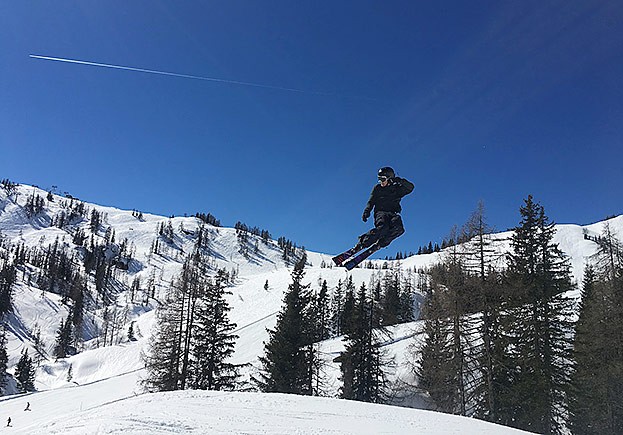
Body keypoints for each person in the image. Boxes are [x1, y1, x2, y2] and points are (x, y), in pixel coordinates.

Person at [356, 166, 414, 250]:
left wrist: (400, 180)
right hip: (381, 212)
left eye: (383, 179)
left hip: (393, 213)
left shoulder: (397, 189)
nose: (381, 182)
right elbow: (371, 201)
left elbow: (411, 187)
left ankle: (381, 243)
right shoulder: (377, 188)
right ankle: (363, 242)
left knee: (399, 229)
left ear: (390, 179)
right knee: (383, 228)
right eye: (379, 179)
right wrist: (366, 212)